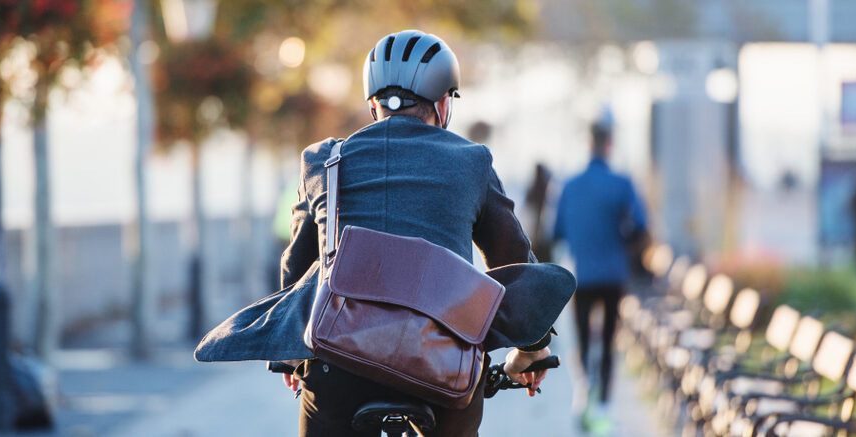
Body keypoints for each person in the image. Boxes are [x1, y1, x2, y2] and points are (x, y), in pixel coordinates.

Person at [194, 30, 576, 437]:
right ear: (444, 103)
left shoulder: (325, 159)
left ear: (373, 105)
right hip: (443, 364)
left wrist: (292, 354)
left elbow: (299, 267)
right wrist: (531, 351)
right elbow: (514, 262)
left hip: (337, 360)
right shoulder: (472, 162)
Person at [553, 109, 647, 434]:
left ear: (588, 143)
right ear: (610, 145)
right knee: (608, 341)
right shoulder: (622, 184)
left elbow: (557, 232)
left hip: (581, 275)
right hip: (613, 274)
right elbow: (640, 227)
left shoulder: (569, 186)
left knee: (580, 339)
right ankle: (604, 404)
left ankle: (582, 395)